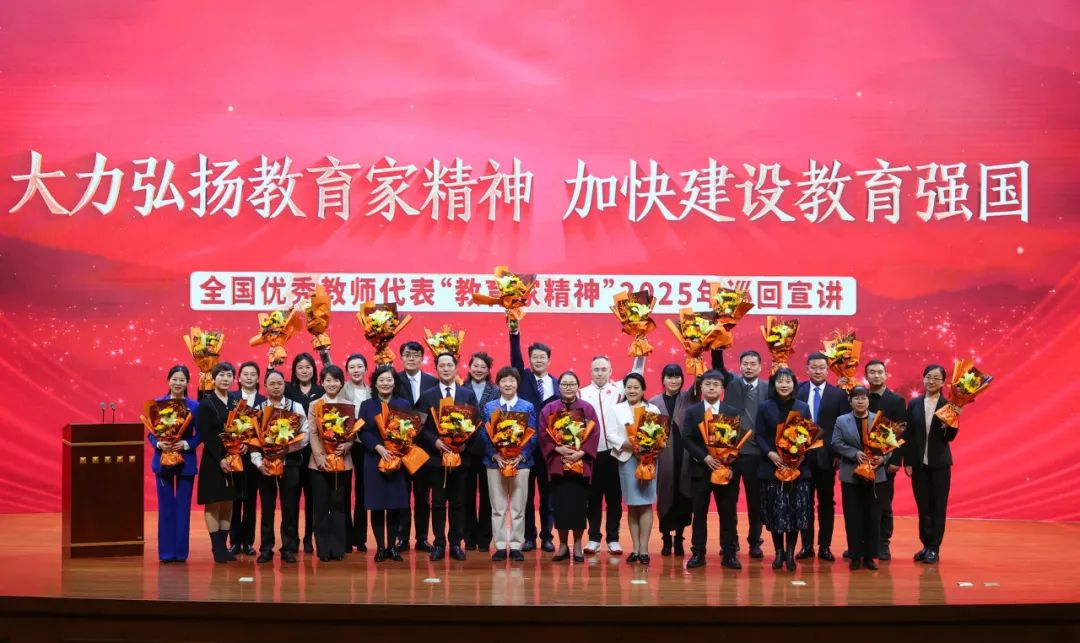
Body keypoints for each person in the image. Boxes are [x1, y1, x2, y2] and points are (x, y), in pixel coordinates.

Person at [579, 353, 646, 555]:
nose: (600, 373)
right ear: (590, 372)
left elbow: (637, 371)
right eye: (596, 370)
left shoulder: (619, 389)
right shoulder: (582, 393)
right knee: (593, 498)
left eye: (604, 369)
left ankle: (613, 538)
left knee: (614, 498)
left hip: (616, 452)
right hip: (591, 453)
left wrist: (640, 348)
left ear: (611, 371)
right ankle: (593, 538)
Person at [415, 352, 479, 561]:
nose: (445, 369)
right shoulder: (427, 395)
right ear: (436, 368)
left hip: (460, 458)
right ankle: (439, 544)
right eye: (441, 365)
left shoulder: (467, 394)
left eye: (449, 365)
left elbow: (476, 424)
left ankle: (456, 544)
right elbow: (419, 426)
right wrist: (435, 441)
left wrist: (463, 444)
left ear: (456, 367)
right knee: (438, 503)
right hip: (436, 459)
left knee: (458, 503)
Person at [682, 370, 743, 570]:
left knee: (728, 514)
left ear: (722, 389)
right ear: (701, 387)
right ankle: (698, 553)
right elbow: (686, 438)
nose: (711, 388)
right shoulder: (693, 411)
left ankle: (729, 553)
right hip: (701, 470)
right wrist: (705, 457)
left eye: (715, 384)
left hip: (725, 471)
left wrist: (731, 467)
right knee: (699, 514)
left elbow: (737, 443)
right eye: (707, 384)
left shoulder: (731, 411)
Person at [538, 370, 600, 563]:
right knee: (560, 507)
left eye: (572, 384)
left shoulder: (587, 408)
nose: (568, 387)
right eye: (564, 384)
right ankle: (563, 544)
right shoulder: (549, 409)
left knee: (579, 507)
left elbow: (594, 434)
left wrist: (582, 452)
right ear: (559, 386)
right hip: (558, 464)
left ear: (577, 386)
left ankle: (578, 544)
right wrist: (557, 448)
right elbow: (543, 434)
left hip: (581, 465)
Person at [756, 367, 813, 572]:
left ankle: (790, 553)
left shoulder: (802, 407)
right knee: (776, 512)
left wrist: (799, 456)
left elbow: (809, 435)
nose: (784, 384)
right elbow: (759, 435)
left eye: (788, 381)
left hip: (797, 469)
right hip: (772, 468)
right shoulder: (765, 406)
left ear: (794, 384)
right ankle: (778, 552)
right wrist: (771, 454)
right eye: (780, 381)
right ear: (774, 384)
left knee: (794, 512)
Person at [900, 364, 958, 565]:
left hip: (940, 465)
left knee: (938, 507)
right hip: (918, 465)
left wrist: (954, 418)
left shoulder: (948, 405)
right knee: (923, 507)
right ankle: (925, 545)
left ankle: (934, 547)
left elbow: (949, 437)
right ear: (923, 379)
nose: (931, 381)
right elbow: (908, 434)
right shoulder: (914, 404)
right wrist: (907, 461)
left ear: (943, 382)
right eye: (928, 377)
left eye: (936, 378)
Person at [794, 352, 849, 562]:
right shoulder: (797, 391)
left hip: (827, 458)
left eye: (822, 368)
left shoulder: (838, 395)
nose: (818, 371)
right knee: (804, 502)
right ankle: (806, 545)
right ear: (807, 369)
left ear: (828, 370)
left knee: (826, 503)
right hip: (801, 458)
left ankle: (825, 546)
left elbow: (842, 425)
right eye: (814, 367)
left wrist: (838, 454)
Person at [714, 348, 769, 559]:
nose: (749, 367)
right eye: (745, 363)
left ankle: (755, 541)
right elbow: (718, 367)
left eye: (753, 364)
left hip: (756, 453)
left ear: (760, 367)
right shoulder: (731, 382)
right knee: (727, 501)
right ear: (739, 366)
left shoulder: (768, 387)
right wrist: (717, 344)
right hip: (730, 452)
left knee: (756, 502)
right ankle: (730, 541)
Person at [509, 321, 558, 552]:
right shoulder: (523, 377)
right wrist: (514, 333)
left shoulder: (557, 383)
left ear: (549, 360)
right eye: (534, 357)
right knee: (526, 495)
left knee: (548, 495)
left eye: (542, 357)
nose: (538, 360)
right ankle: (528, 536)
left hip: (549, 448)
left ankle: (547, 536)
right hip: (525, 447)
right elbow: (514, 358)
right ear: (529, 360)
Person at [480, 366, 538, 562]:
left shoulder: (527, 406)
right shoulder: (490, 407)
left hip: (520, 464)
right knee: (497, 508)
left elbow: (533, 434)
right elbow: (484, 434)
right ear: (498, 383)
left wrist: (522, 456)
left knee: (518, 508)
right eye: (503, 380)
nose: (508, 384)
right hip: (495, 464)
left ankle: (515, 545)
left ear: (517, 383)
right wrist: (494, 455)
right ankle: (499, 545)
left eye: (511, 380)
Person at [252, 369, 309, 564]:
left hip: (290, 464)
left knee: (290, 507)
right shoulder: (258, 409)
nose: (276, 387)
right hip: (266, 465)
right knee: (267, 508)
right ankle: (266, 548)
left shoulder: (296, 407)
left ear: (285, 386)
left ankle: (289, 548)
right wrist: (258, 463)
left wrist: (287, 448)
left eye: (279, 383)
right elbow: (253, 440)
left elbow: (305, 435)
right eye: (272, 383)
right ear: (265, 386)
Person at [359, 365, 413, 562]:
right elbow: (362, 431)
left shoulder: (403, 404)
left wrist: (397, 447)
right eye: (381, 380)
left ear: (394, 383)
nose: (385, 383)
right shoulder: (367, 405)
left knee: (394, 504)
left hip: (397, 460)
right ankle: (380, 548)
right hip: (374, 459)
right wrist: (379, 448)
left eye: (389, 380)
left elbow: (410, 430)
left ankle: (392, 547)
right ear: (375, 384)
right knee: (377, 504)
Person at [607, 372, 662, 565]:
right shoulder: (616, 409)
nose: (632, 390)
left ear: (643, 389)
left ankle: (644, 549)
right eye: (629, 387)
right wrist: (631, 445)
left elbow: (659, 434)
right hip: (627, 459)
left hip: (648, 460)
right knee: (632, 504)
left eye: (636, 387)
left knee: (646, 504)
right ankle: (635, 548)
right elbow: (610, 434)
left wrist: (646, 448)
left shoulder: (652, 409)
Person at [148, 365, 200, 563]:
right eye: (174, 379)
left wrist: (186, 444)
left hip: (186, 461)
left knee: (183, 508)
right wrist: (159, 443)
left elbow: (200, 435)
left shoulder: (194, 406)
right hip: (163, 460)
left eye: (182, 380)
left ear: (187, 383)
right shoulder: (157, 404)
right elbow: (151, 433)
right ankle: (166, 553)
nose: (178, 383)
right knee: (166, 507)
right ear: (168, 381)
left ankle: (180, 553)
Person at [831, 386, 887, 570]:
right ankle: (855, 555)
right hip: (851, 475)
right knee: (853, 516)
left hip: (875, 476)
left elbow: (890, 446)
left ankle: (870, 556)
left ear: (868, 400)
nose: (860, 401)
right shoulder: (841, 420)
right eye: (856, 398)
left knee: (873, 517)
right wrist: (854, 453)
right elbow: (836, 443)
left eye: (863, 398)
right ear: (850, 401)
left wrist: (883, 458)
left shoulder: (878, 419)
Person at [306, 365, 358, 562]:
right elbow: (313, 433)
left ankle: (338, 548)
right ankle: (323, 549)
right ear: (321, 382)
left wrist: (347, 445)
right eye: (328, 380)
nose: (332, 384)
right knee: (320, 506)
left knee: (339, 505)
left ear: (341, 382)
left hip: (342, 461)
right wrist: (321, 459)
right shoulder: (315, 405)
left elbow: (352, 432)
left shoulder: (348, 404)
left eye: (335, 380)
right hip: (318, 465)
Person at [393, 341, 437, 552]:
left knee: (423, 496)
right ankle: (402, 538)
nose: (411, 358)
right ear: (401, 357)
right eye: (407, 354)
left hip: (424, 449)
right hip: (400, 447)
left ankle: (422, 538)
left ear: (422, 358)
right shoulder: (393, 379)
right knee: (402, 495)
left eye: (416, 355)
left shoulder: (432, 382)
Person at [195, 362, 240, 563]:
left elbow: (244, 427)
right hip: (213, 459)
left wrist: (241, 446)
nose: (225, 379)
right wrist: (220, 458)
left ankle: (223, 546)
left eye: (229, 375)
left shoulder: (236, 401)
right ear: (214, 379)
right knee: (213, 502)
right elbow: (206, 434)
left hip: (233, 458)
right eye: (221, 375)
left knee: (228, 502)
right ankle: (217, 548)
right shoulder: (206, 403)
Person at [649, 364, 694, 557]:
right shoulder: (653, 403)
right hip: (663, 457)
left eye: (677, 376)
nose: (674, 380)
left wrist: (696, 357)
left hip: (685, 456)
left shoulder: (689, 397)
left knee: (683, 496)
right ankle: (666, 538)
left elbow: (700, 380)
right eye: (669, 376)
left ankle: (679, 538)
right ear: (663, 379)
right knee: (665, 496)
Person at [864, 359, 906, 561]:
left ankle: (883, 544)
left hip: (885, 462)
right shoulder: (861, 397)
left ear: (886, 375)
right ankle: (863, 543)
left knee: (884, 504)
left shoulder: (896, 400)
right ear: (866, 376)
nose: (876, 375)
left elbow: (902, 432)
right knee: (862, 503)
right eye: (872, 372)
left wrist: (895, 460)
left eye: (880, 372)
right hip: (863, 460)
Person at [285, 352, 322, 554]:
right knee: (291, 499)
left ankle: (309, 537)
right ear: (294, 370)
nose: (304, 371)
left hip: (314, 453)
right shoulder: (288, 389)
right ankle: (292, 540)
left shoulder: (320, 390)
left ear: (313, 370)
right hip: (292, 452)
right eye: (300, 367)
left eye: (308, 367)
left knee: (313, 499)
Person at [228, 361, 267, 556]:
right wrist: (235, 443)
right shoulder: (231, 399)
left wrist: (250, 443)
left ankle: (248, 542)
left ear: (258, 378)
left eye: (253, 374)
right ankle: (234, 541)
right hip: (234, 455)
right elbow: (225, 425)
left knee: (251, 501)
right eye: (246, 374)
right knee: (234, 500)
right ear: (239, 377)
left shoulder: (263, 401)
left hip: (254, 458)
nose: (249, 377)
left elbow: (265, 430)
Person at [463, 351, 500, 551]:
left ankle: (485, 538)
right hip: (465, 450)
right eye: (475, 366)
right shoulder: (461, 388)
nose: (478, 369)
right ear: (469, 367)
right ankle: (469, 537)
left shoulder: (496, 391)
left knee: (488, 496)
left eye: (483, 367)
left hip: (490, 451)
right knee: (466, 495)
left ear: (488, 370)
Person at [342, 353, 372, 554]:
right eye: (352, 367)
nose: (356, 370)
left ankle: (360, 538)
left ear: (365, 369)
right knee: (344, 491)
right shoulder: (341, 389)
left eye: (359, 366)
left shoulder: (372, 391)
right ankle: (345, 537)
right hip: (344, 444)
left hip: (364, 445)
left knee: (362, 491)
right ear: (347, 371)